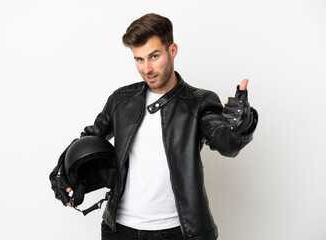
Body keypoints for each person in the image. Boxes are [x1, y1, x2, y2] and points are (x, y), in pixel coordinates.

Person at [50, 13, 258, 240]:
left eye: (154, 56)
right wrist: (62, 172)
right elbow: (89, 139)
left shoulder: (198, 102)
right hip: (120, 229)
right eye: (139, 59)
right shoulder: (121, 100)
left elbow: (226, 143)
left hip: (178, 231)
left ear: (173, 50)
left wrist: (240, 126)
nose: (147, 68)